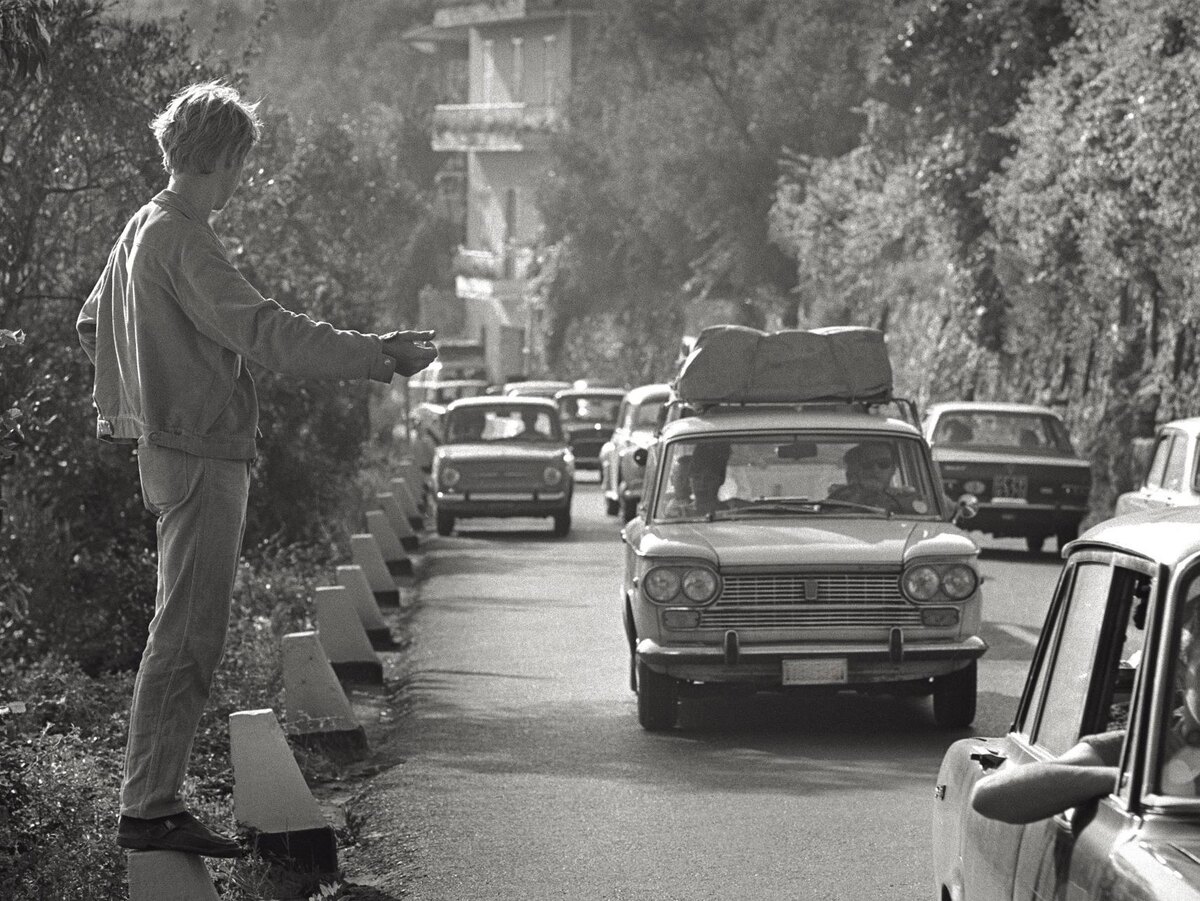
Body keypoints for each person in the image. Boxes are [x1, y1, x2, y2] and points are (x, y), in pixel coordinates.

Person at [75, 81, 438, 858]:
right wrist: (377, 354)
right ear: (225, 156)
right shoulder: (184, 237)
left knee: (178, 630)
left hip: (170, 451)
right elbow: (268, 335)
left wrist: (146, 395)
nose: (242, 180)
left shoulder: (143, 224)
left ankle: (152, 799)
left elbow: (89, 322)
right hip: (201, 455)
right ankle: (150, 804)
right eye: (240, 163)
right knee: (187, 638)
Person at [828, 442, 913, 513]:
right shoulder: (840, 498)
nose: (875, 469)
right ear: (858, 470)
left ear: (893, 469)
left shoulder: (906, 499)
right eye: (868, 464)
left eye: (884, 464)